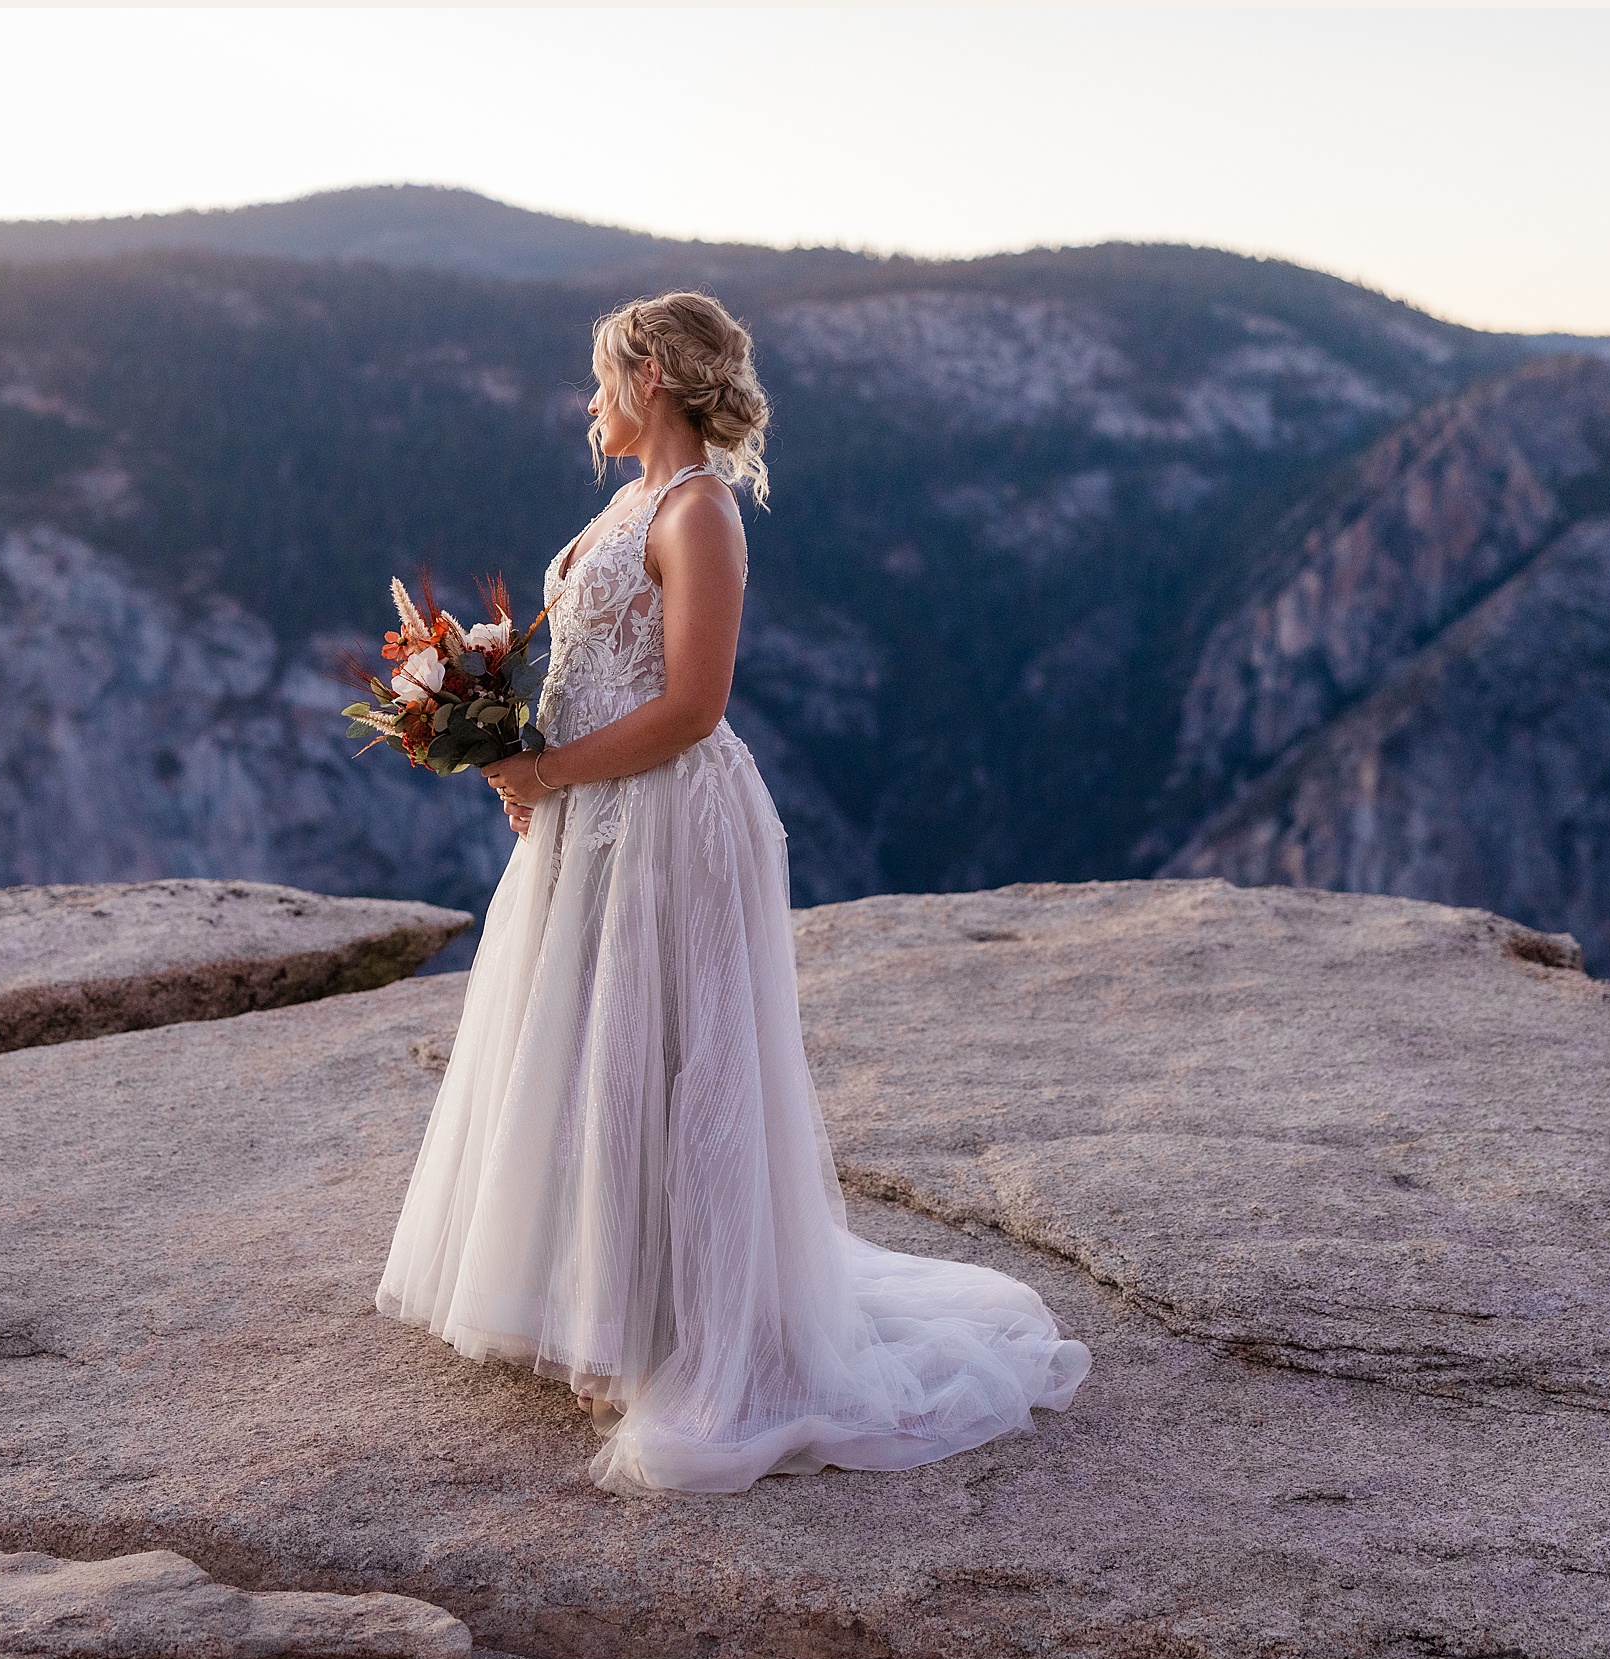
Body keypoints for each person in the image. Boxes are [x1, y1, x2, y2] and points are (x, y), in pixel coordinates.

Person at [373, 291, 1090, 1496]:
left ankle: (681, 1322)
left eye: (601, 378)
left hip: (664, 820)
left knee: (665, 1051)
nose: (587, 400)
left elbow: (695, 704)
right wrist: (516, 751)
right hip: (591, 815)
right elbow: (604, 670)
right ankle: (599, 1292)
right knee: (594, 1044)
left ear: (649, 375)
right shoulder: (628, 501)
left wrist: (545, 767)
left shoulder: (699, 511)